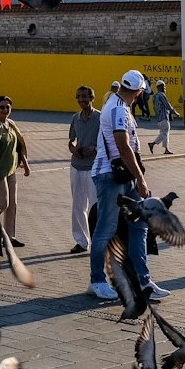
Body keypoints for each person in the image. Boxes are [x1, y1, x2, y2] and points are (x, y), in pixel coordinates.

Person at [88, 69, 168, 302]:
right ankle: (97, 281)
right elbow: (123, 146)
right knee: (106, 229)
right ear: (139, 91)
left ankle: (142, 280)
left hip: (123, 175)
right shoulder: (117, 109)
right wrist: (141, 179)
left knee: (138, 227)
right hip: (111, 175)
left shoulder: (118, 104)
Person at [0, 96, 29, 245]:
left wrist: (25, 164)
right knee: (2, 203)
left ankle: (10, 237)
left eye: (8, 107)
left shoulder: (11, 124)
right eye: (2, 107)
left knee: (13, 203)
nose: (5, 110)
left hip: (11, 169)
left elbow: (19, 146)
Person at [68, 85, 100, 254]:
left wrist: (93, 149)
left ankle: (98, 241)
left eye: (85, 97)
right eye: (79, 97)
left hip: (93, 168)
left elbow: (104, 142)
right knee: (78, 205)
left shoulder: (100, 118)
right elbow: (71, 140)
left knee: (95, 207)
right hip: (76, 166)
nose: (82, 100)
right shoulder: (75, 118)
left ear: (92, 98)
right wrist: (74, 149)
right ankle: (81, 241)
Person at [148, 81, 179, 156]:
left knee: (165, 133)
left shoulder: (155, 96)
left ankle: (166, 149)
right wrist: (175, 113)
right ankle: (152, 144)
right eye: (163, 86)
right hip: (163, 117)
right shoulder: (161, 95)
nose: (165, 88)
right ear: (159, 87)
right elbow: (167, 105)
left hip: (159, 118)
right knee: (164, 133)